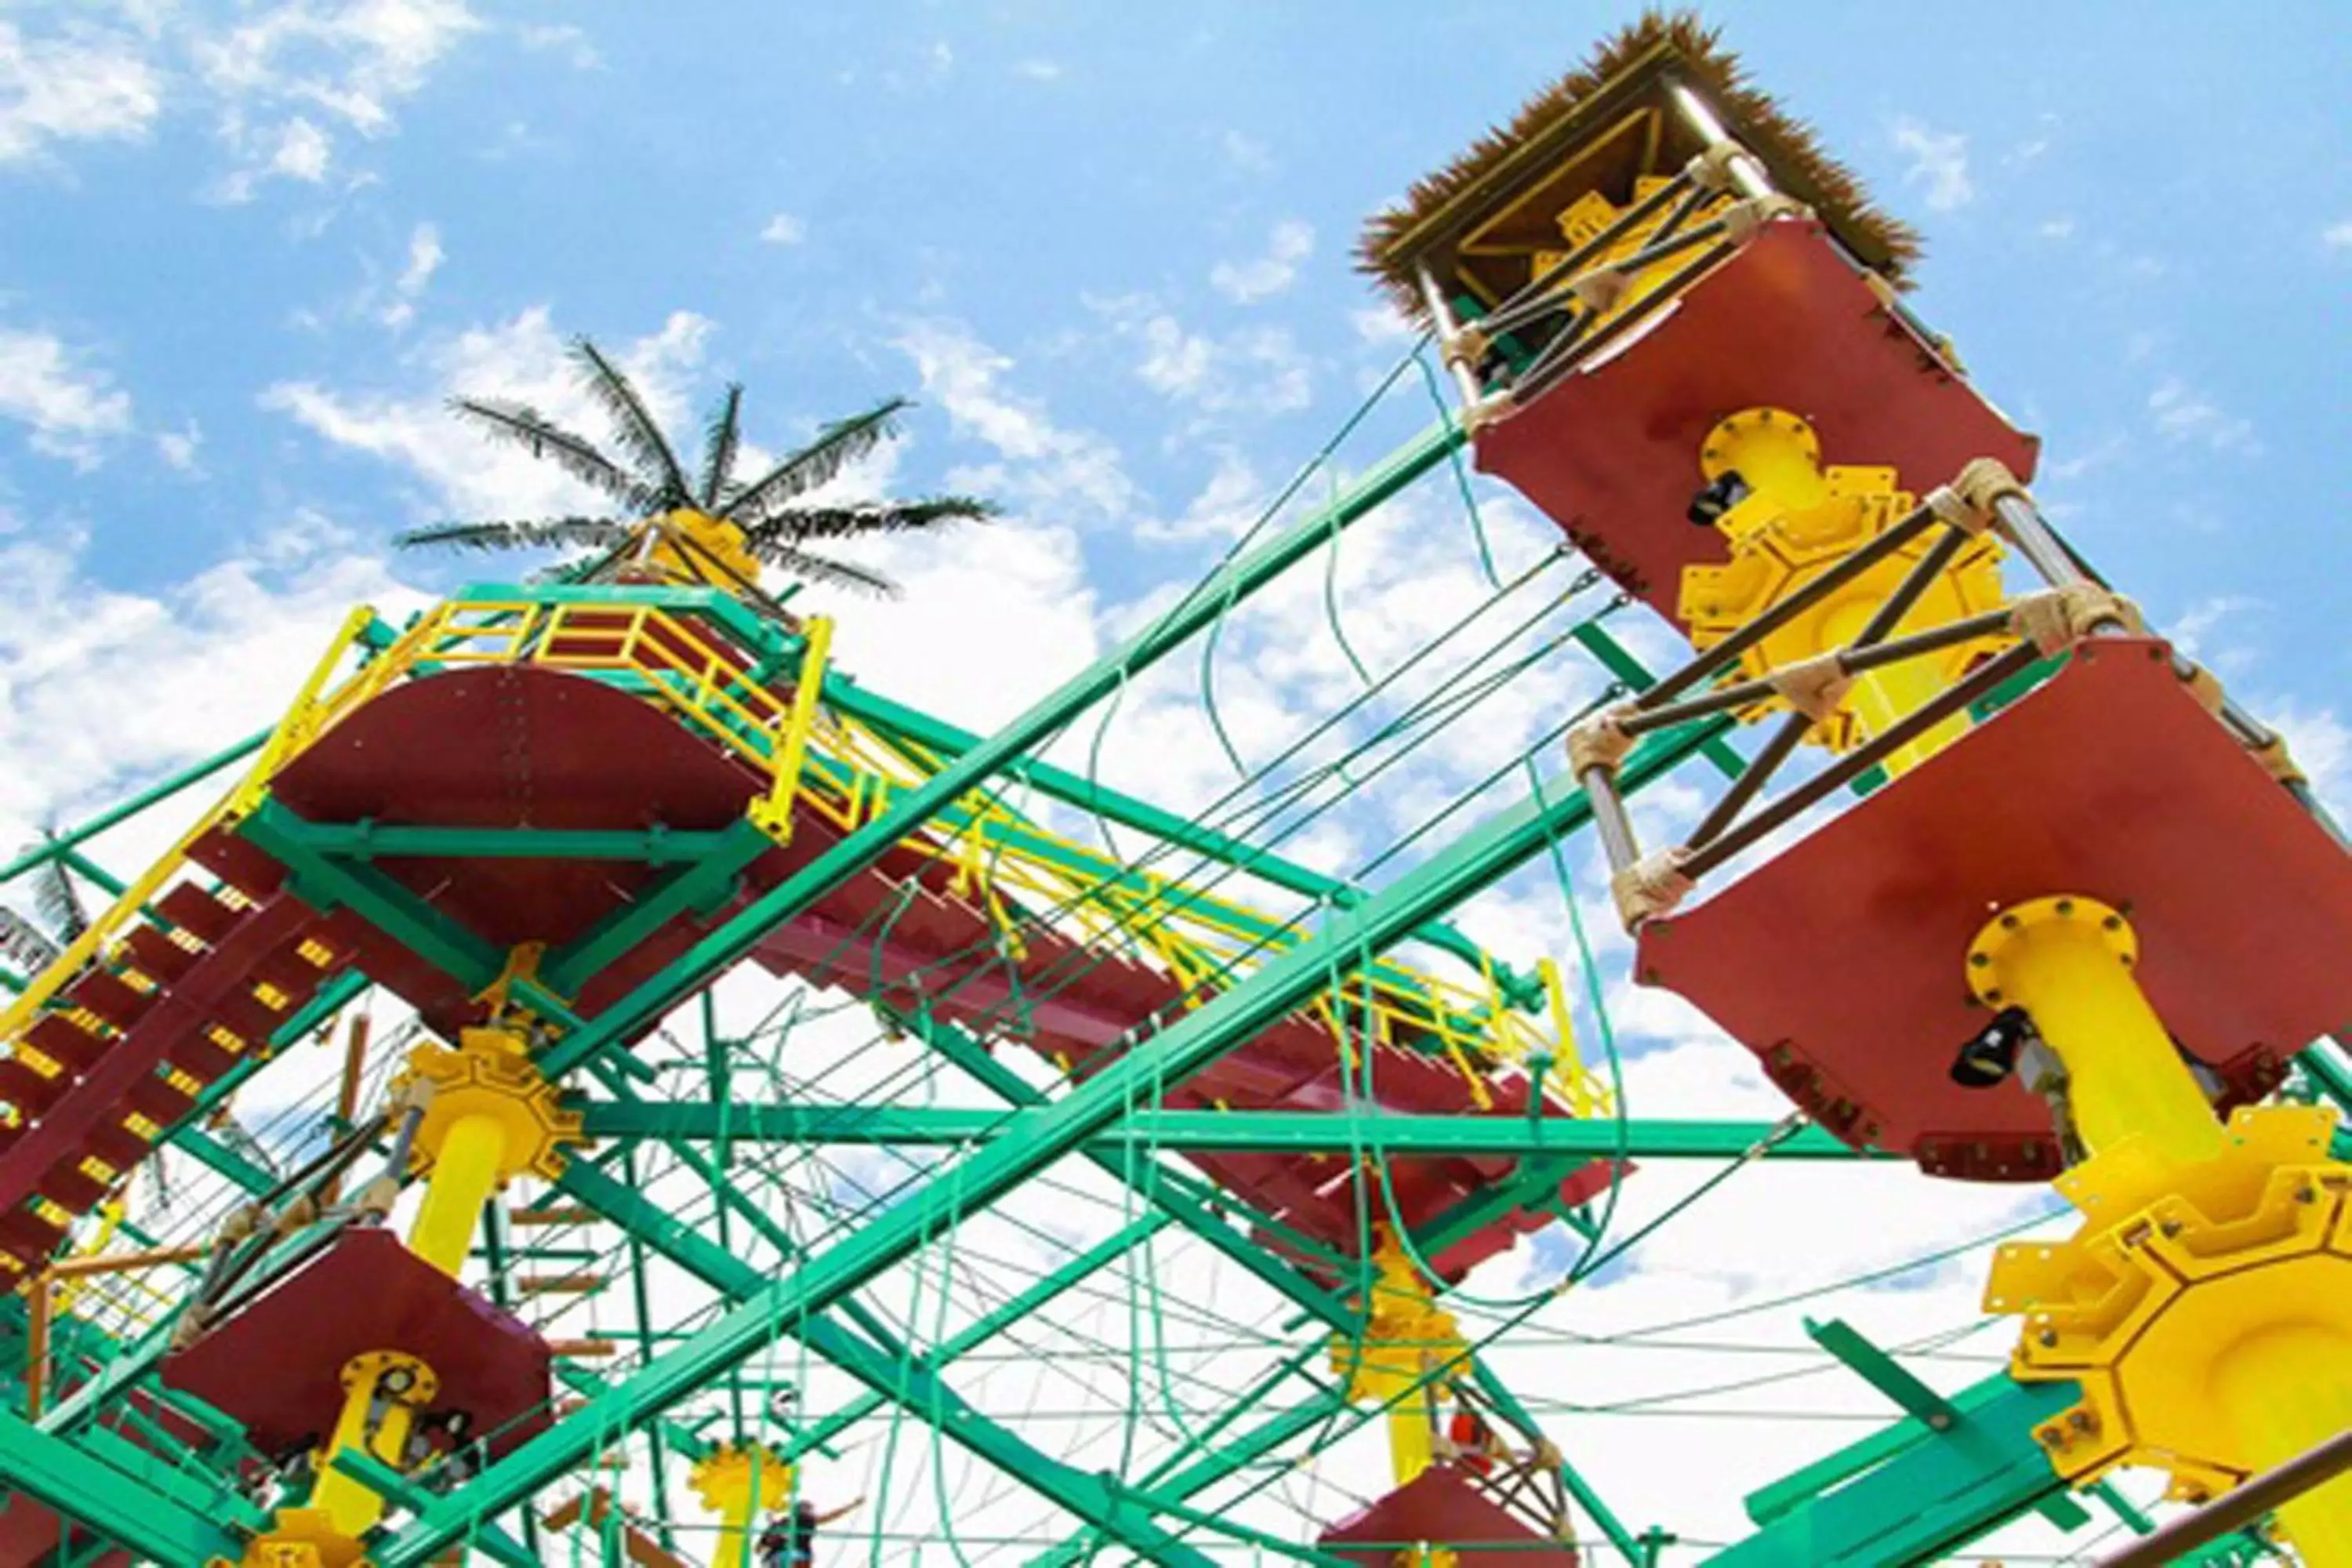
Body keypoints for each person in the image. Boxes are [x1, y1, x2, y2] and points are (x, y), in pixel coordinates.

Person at [757, 1495, 864, 1568]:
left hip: (793, 1557)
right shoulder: (786, 1523)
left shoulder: (803, 1521)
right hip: (789, 1557)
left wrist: (852, 1506)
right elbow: (760, 1548)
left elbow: (831, 1516)